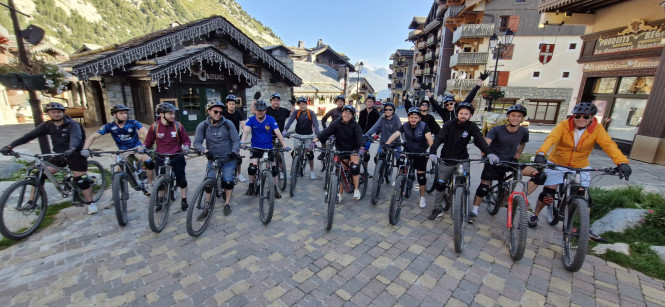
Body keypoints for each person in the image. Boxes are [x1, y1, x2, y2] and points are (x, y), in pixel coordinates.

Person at [528, 102, 632, 242]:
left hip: (580, 165)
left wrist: (622, 162)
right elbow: (551, 139)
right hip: (557, 162)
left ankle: (584, 227)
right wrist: (541, 153)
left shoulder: (598, 129)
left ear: (591, 118)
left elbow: (609, 145)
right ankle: (535, 215)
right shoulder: (564, 125)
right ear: (573, 116)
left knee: (584, 197)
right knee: (548, 193)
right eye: (578, 116)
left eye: (585, 116)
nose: (581, 119)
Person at [1, 102, 98, 214]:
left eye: (59, 112)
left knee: (81, 180)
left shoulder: (72, 124)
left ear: (63, 113)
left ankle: (91, 203)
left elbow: (76, 137)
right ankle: (32, 203)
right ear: (48, 114)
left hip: (75, 154)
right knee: (38, 175)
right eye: (53, 112)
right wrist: (11, 146)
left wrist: (72, 148)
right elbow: (29, 136)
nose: (56, 114)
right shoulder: (48, 125)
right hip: (59, 155)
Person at [427, 101, 499, 220]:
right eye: (461, 113)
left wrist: (489, 152)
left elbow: (479, 140)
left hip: (462, 159)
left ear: (470, 116)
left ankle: (462, 198)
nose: (463, 115)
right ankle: (437, 208)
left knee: (463, 182)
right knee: (440, 184)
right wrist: (433, 152)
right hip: (447, 158)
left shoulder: (472, 127)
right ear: (457, 113)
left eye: (466, 114)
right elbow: (439, 138)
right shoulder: (449, 125)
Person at [81, 104, 154, 207]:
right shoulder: (110, 126)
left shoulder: (133, 123)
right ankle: (117, 196)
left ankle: (150, 183)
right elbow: (93, 136)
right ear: (114, 114)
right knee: (117, 173)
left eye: (125, 113)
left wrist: (145, 145)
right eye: (121, 113)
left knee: (149, 162)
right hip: (123, 151)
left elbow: (146, 132)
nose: (124, 115)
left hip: (137, 148)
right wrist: (85, 149)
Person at [468, 104, 530, 224]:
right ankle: (474, 211)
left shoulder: (524, 131)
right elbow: (486, 143)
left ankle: (515, 199)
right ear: (508, 116)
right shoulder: (497, 130)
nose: (515, 118)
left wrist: (516, 157)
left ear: (522, 118)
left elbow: (522, 144)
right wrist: (488, 154)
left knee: (538, 175)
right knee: (484, 188)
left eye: (519, 116)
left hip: (510, 161)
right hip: (494, 161)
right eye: (513, 115)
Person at [140, 102, 192, 211]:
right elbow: (148, 142)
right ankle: (160, 199)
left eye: (173, 113)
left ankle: (184, 199)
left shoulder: (178, 126)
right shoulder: (154, 127)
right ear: (162, 114)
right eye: (170, 114)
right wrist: (143, 147)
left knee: (181, 180)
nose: (173, 116)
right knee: (160, 180)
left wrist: (186, 147)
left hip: (177, 155)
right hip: (161, 156)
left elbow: (186, 140)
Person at [193, 100, 240, 217]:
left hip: (228, 158)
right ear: (209, 112)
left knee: (228, 181)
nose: (218, 114)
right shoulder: (203, 125)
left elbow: (236, 140)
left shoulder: (228, 124)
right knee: (209, 183)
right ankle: (207, 206)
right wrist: (205, 150)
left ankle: (227, 203)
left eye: (220, 112)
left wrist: (234, 152)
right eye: (215, 111)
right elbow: (197, 143)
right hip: (213, 158)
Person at [312, 105, 365, 202]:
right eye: (345, 112)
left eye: (349, 114)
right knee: (342, 172)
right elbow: (326, 132)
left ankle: (356, 190)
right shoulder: (336, 123)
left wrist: (361, 147)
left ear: (352, 116)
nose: (347, 115)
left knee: (354, 167)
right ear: (342, 113)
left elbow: (359, 136)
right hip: (341, 148)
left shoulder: (355, 125)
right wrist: (314, 141)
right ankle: (340, 194)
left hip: (354, 148)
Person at [385, 107, 434, 208]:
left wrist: (432, 151)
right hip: (408, 150)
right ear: (408, 118)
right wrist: (387, 143)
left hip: (421, 152)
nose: (413, 120)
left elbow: (429, 139)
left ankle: (422, 198)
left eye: (416, 118)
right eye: (411, 117)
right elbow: (395, 135)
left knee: (421, 177)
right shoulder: (405, 126)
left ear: (419, 118)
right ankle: (400, 178)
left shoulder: (424, 126)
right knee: (401, 161)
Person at [240, 99, 290, 199]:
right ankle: (251, 185)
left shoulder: (271, 119)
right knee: (252, 168)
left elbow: (278, 133)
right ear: (255, 110)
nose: (260, 112)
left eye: (262, 110)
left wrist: (284, 145)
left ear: (265, 110)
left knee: (274, 169)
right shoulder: (251, 120)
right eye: (258, 110)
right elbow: (246, 131)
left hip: (268, 148)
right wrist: (242, 142)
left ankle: (274, 188)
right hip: (255, 148)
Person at [284, 97, 320, 179]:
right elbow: (290, 121)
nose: (302, 106)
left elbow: (316, 124)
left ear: (306, 104)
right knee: (295, 153)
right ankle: (295, 170)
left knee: (309, 154)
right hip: (298, 135)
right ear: (298, 105)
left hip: (309, 135)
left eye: (303, 104)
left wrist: (317, 134)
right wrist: (285, 130)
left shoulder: (311, 113)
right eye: (300, 104)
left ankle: (312, 171)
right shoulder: (296, 112)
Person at [222, 94, 247, 183]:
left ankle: (239, 174)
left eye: (233, 104)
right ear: (227, 104)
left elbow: (243, 124)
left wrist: (243, 137)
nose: (231, 105)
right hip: (224, 138)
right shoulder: (223, 113)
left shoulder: (238, 113)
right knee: (223, 156)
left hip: (235, 138)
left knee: (238, 157)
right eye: (230, 104)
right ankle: (223, 173)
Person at [318, 94, 346, 160]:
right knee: (322, 137)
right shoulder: (333, 110)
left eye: (341, 101)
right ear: (336, 102)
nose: (340, 102)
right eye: (338, 101)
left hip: (341, 131)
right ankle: (323, 152)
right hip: (331, 129)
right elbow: (323, 119)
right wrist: (325, 129)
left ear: (344, 103)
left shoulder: (346, 111)